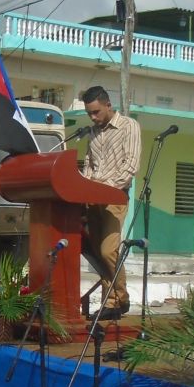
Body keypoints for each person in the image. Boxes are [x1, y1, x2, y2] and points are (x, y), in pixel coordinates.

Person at [80, 85, 141, 320]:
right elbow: (88, 165)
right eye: (89, 114)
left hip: (114, 198)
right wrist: (84, 188)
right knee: (97, 252)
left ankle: (121, 299)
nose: (93, 117)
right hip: (91, 199)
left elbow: (130, 165)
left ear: (108, 105)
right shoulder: (94, 133)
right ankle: (111, 301)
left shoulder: (129, 126)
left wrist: (103, 188)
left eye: (96, 112)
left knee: (108, 251)